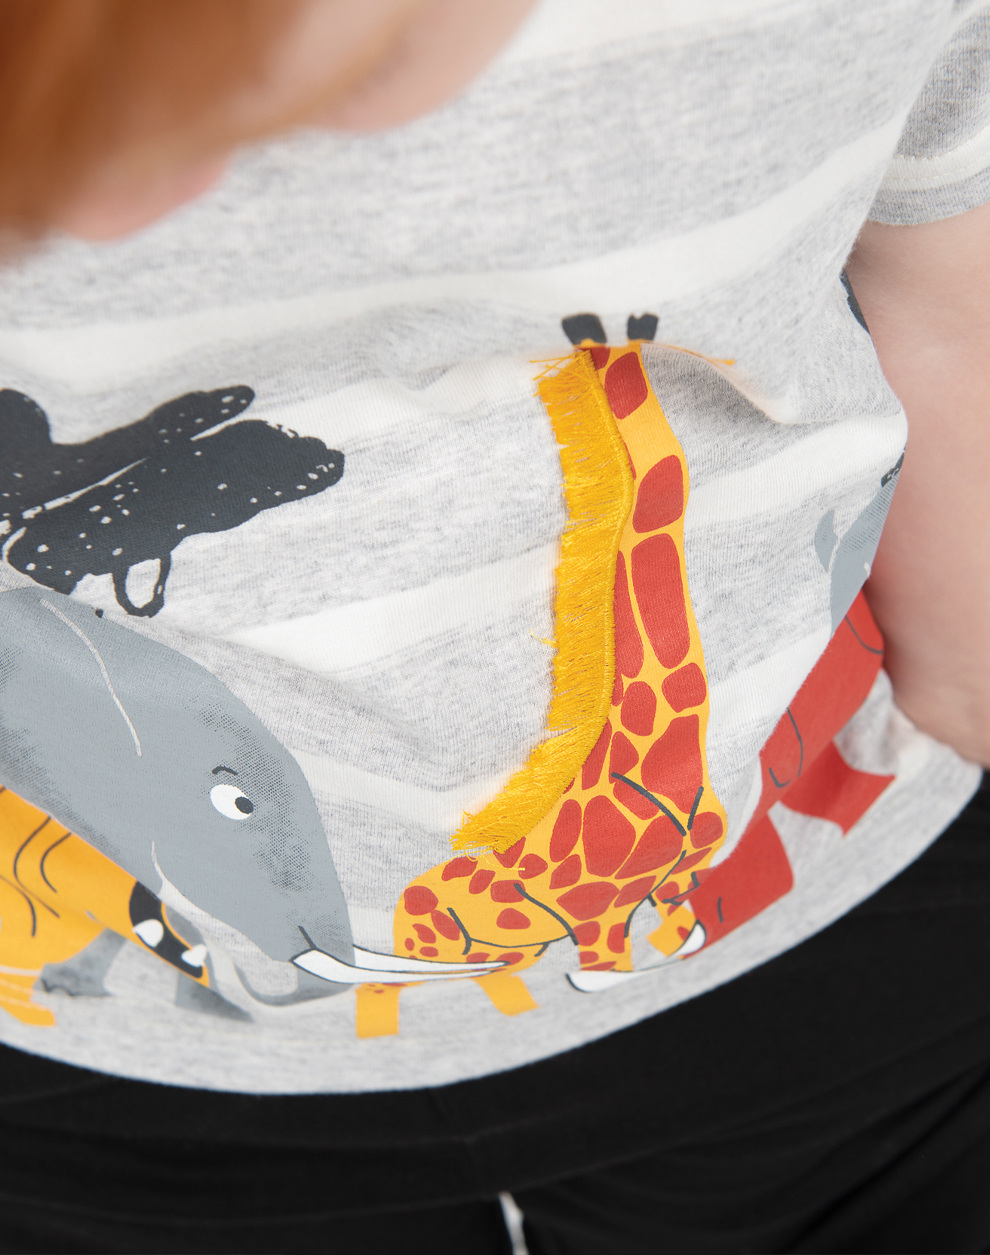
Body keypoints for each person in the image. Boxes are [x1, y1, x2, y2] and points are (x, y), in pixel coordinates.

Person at [0, 1, 988, 1251]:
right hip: (107, 1052)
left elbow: (950, 305)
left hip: (817, 916)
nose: (121, 218)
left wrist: (965, 694)